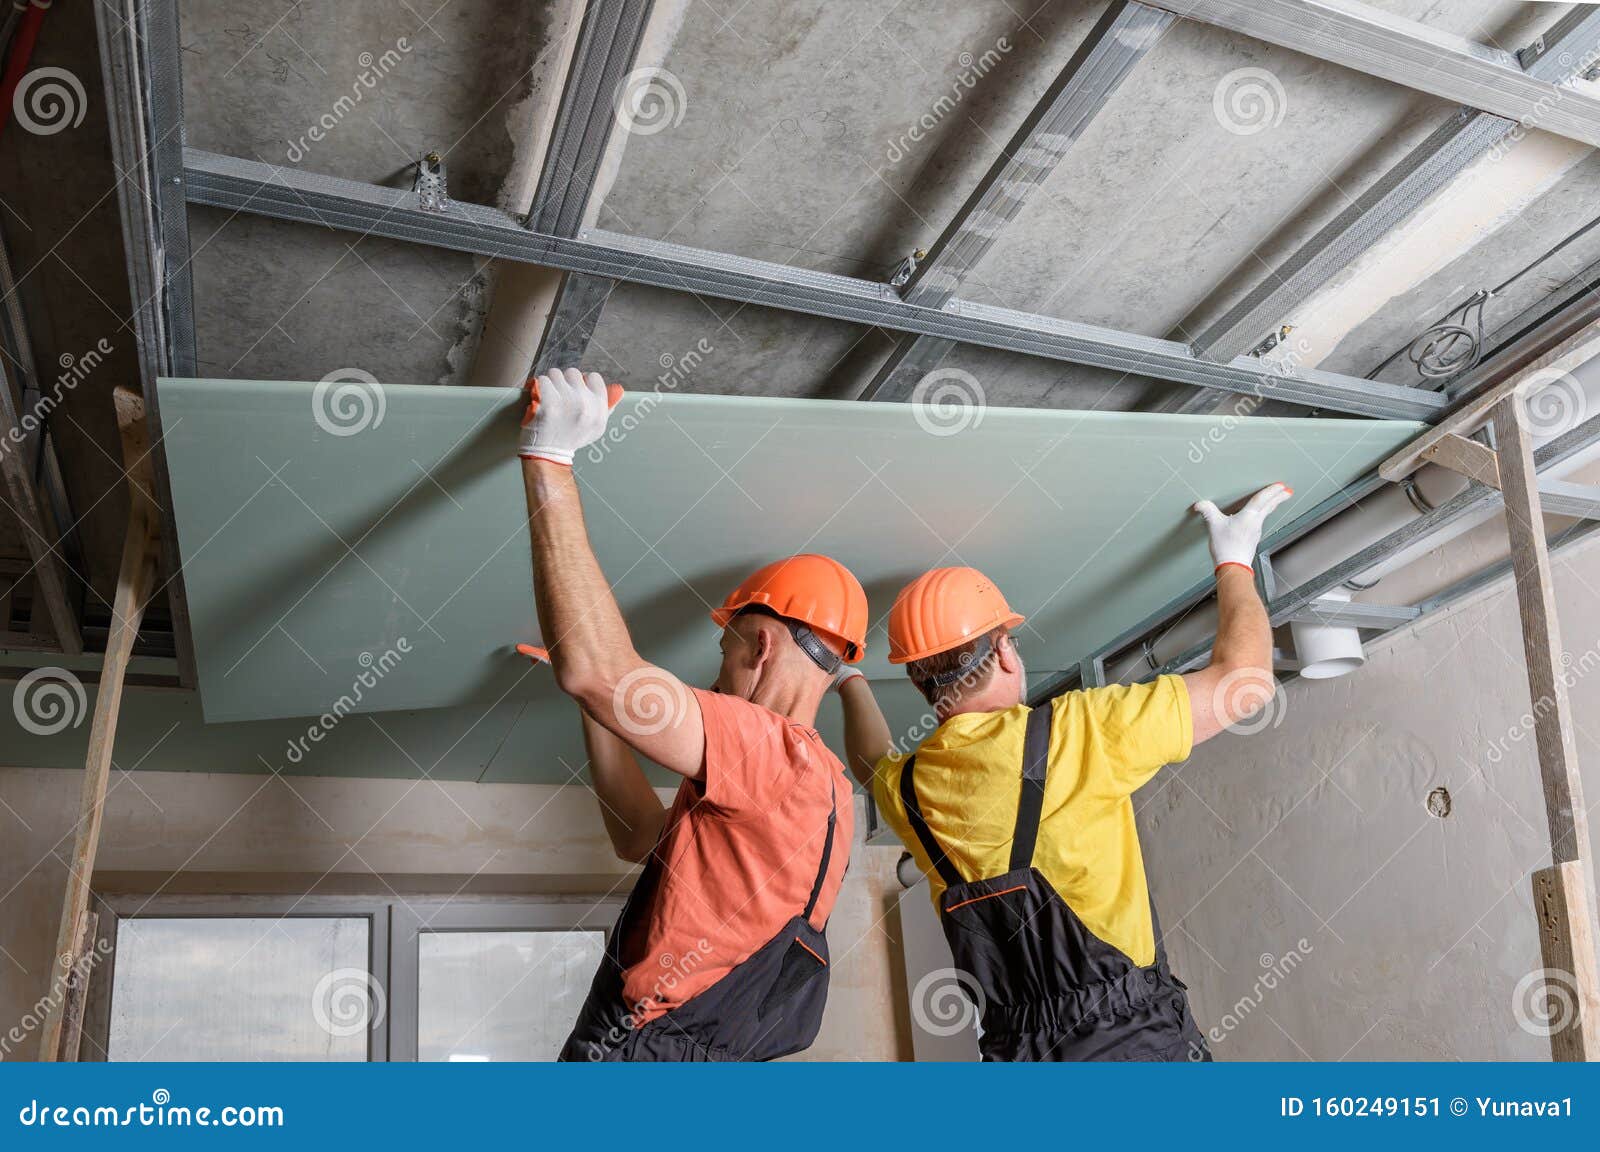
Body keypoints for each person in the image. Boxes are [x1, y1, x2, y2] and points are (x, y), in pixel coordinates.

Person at [835, 483, 1293, 1061]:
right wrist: (1234, 561)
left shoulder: (910, 789)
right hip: (1129, 1043)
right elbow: (1244, 683)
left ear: (921, 684)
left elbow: (871, 761)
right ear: (1004, 651)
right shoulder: (1076, 733)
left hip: (1013, 1054)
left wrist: (846, 677)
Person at [517, 366, 865, 1061]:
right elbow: (638, 835)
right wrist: (593, 703)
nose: (715, 675)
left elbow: (599, 670)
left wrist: (548, 458)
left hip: (654, 1054)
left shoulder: (770, 748)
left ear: (761, 647)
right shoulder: (826, 789)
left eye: (725, 653)